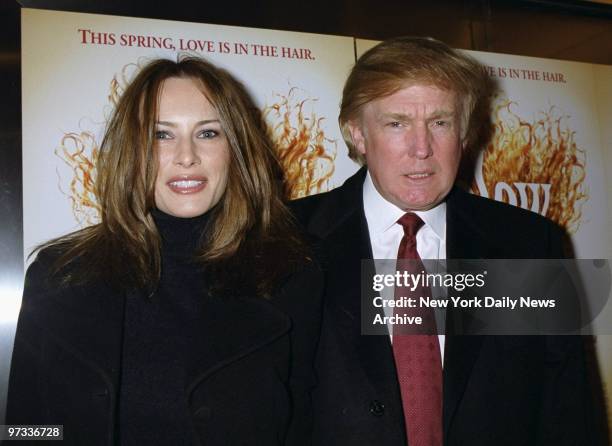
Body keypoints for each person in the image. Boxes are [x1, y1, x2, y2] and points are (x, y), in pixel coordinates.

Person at [291, 37, 597, 445]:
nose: (422, 149)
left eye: (440, 122)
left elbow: (567, 409)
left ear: (465, 133)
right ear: (358, 134)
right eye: (397, 123)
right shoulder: (287, 238)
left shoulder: (525, 243)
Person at [7, 56, 323, 445]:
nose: (186, 156)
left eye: (208, 133)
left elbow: (306, 427)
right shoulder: (60, 273)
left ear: (236, 149)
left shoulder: (291, 274)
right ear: (133, 150)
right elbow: (26, 429)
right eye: (161, 134)